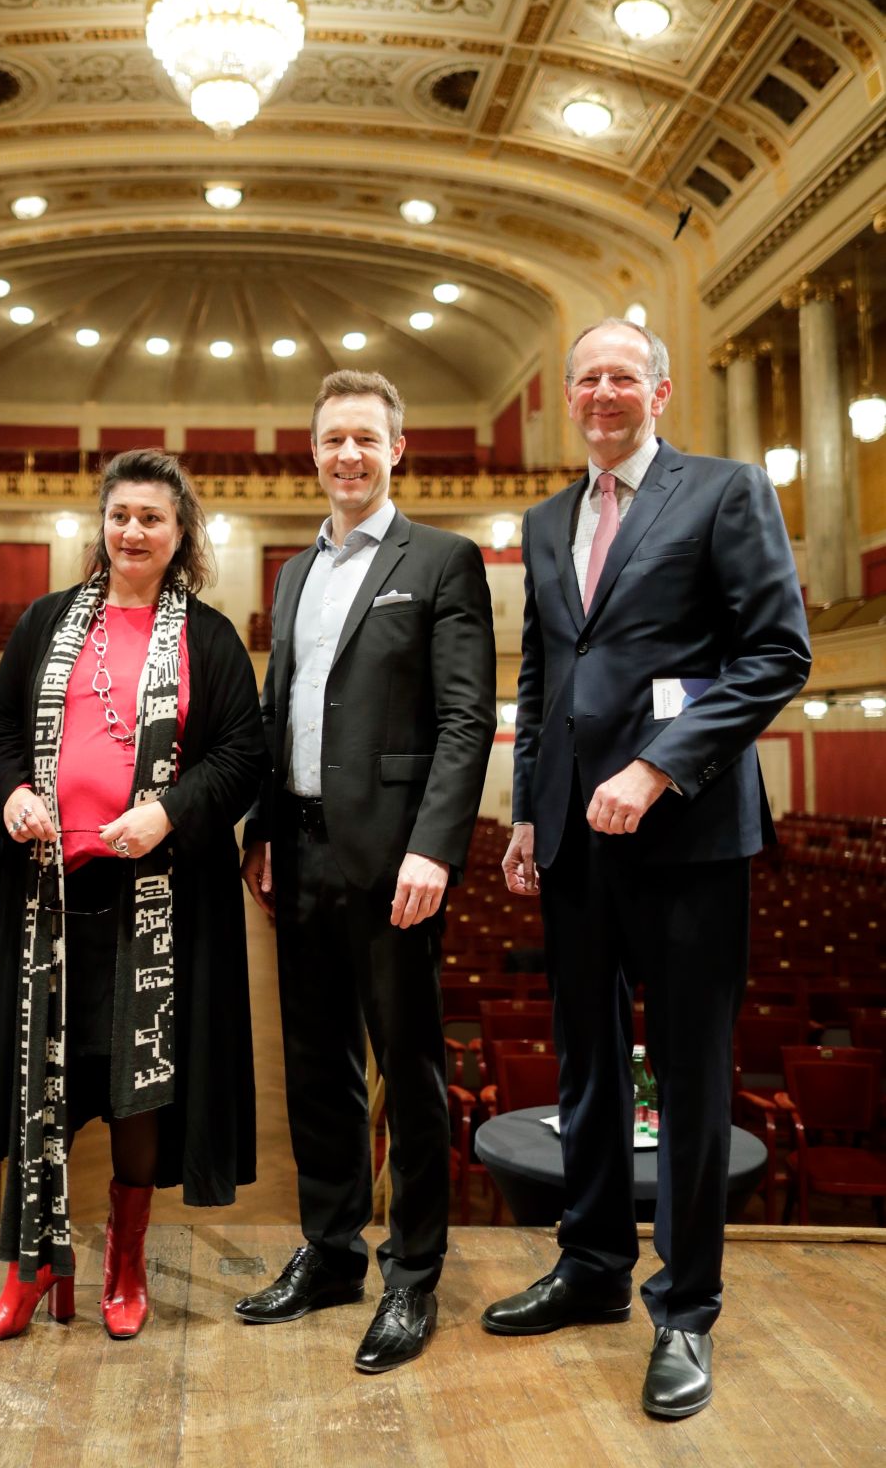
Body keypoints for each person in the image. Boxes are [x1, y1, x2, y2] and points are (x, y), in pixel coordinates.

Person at [482, 319, 810, 1420]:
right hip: (573, 837)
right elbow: (544, 676)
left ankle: (685, 1308)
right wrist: (528, 810)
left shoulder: (723, 491)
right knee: (585, 1064)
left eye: (621, 375)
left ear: (659, 391)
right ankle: (589, 1265)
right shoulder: (546, 519)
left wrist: (659, 766)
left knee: (687, 1072)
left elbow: (776, 653)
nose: (601, 392)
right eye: (586, 378)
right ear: (568, 396)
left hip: (688, 837)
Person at [0, 448, 263, 1346]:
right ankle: (30, 1270)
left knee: (138, 1086)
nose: (133, 531)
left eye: (151, 518)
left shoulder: (208, 636)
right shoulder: (48, 620)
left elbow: (242, 753)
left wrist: (167, 813)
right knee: (38, 1083)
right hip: (48, 894)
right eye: (120, 514)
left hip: (157, 900)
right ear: (102, 524)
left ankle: (126, 1265)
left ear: (180, 532)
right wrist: (13, 791)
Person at [236, 370, 496, 1374]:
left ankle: (413, 1272)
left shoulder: (441, 559)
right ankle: (332, 1250)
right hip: (298, 849)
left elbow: (466, 716)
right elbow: (280, 711)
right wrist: (262, 827)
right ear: (313, 454)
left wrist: (435, 845)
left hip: (395, 856)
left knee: (409, 1067)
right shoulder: (293, 573)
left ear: (397, 450)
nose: (349, 454)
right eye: (333, 438)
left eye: (366, 438)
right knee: (316, 1065)